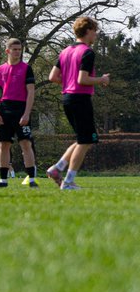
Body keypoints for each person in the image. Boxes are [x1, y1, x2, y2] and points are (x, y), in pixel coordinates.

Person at [46, 17, 110, 190]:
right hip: (80, 99)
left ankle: (57, 169)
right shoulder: (87, 52)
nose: (96, 34)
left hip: (67, 98)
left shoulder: (65, 51)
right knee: (85, 140)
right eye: (95, 30)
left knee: (83, 139)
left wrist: (69, 82)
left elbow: (52, 77)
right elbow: (83, 79)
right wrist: (102, 79)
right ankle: (68, 182)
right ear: (88, 30)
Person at [0, 38, 38, 188]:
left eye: (20, 49)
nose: (18, 52)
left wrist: (26, 113)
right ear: (7, 51)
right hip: (5, 109)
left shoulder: (26, 68)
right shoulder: (0, 69)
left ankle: (32, 179)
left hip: (21, 108)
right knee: (4, 144)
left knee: (25, 143)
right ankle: (3, 181)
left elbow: (31, 92)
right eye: (15, 49)